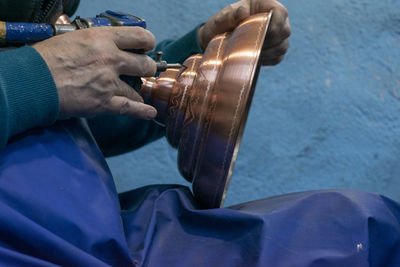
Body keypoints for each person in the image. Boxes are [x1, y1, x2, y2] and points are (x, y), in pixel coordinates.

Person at [0, 0, 399, 266]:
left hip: (89, 218)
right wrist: (31, 80)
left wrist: (195, 55)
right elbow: (39, 89)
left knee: (362, 228)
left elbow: (62, 106)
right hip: (30, 232)